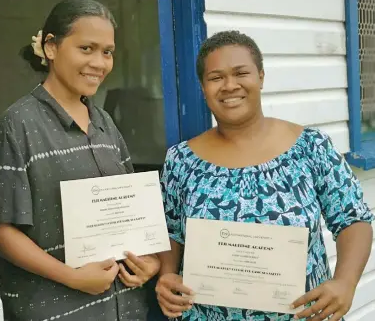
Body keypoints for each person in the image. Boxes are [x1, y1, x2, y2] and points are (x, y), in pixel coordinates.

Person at [155, 30, 374, 321]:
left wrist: (345, 282)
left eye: (240, 72)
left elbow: (353, 220)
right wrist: (167, 276)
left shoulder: (310, 147)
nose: (229, 85)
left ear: (260, 76)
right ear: (203, 87)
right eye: (216, 77)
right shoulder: (181, 160)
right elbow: (170, 232)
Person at [0, 0, 160, 320]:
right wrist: (73, 276)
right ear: (51, 47)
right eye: (86, 48)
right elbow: (3, 229)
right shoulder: (17, 125)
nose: (99, 62)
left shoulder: (105, 123)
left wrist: (150, 260)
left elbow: (133, 215)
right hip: (57, 308)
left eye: (107, 51)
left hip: (125, 306)